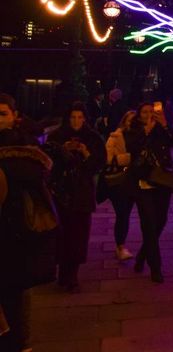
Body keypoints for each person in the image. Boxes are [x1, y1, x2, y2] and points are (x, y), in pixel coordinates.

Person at [0, 93, 57, 352]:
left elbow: (38, 173)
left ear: (15, 116)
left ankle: (20, 342)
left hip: (15, 231)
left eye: (2, 114)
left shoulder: (24, 147)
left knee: (15, 294)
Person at [44, 102, 105, 291]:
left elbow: (98, 164)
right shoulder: (56, 136)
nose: (76, 121)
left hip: (82, 192)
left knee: (78, 234)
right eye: (73, 117)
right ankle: (63, 272)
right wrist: (63, 150)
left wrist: (86, 153)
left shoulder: (93, 137)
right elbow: (48, 163)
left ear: (85, 118)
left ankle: (72, 275)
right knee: (62, 234)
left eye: (80, 117)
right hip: (61, 192)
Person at [124, 101, 173, 283]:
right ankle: (156, 267)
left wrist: (164, 124)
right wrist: (146, 132)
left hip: (162, 180)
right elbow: (131, 148)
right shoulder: (133, 130)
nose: (149, 115)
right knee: (148, 223)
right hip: (143, 182)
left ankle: (142, 255)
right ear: (139, 115)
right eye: (145, 112)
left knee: (160, 221)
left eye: (151, 112)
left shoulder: (161, 128)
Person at [105, 110, 137, 262]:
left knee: (126, 213)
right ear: (124, 122)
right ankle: (120, 246)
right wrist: (128, 158)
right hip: (118, 181)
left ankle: (121, 245)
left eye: (134, 121)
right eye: (129, 120)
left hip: (132, 181)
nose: (131, 123)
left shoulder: (140, 136)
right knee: (122, 213)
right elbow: (108, 158)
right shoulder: (116, 136)